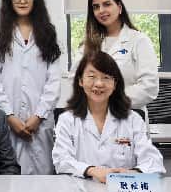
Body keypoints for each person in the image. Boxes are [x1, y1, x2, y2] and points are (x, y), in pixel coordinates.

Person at [0, 0, 62, 174]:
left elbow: (54, 81)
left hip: (41, 123)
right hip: (8, 120)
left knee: (43, 178)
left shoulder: (49, 32)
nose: (22, 0)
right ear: (9, 0)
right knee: (9, 177)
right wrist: (9, 116)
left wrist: (38, 116)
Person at [53, 51, 164, 181]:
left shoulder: (132, 119)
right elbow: (61, 160)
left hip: (122, 188)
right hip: (80, 189)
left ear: (115, 84)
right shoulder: (67, 120)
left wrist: (133, 172)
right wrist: (92, 171)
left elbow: (154, 161)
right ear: (80, 81)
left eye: (106, 77)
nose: (99, 84)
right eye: (92, 76)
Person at [73, 0, 158, 109]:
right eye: (96, 7)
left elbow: (149, 87)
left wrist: (109, 100)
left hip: (127, 112)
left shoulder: (139, 40)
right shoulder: (87, 45)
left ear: (119, 7)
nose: (101, 10)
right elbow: (74, 80)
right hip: (92, 113)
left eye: (107, 4)